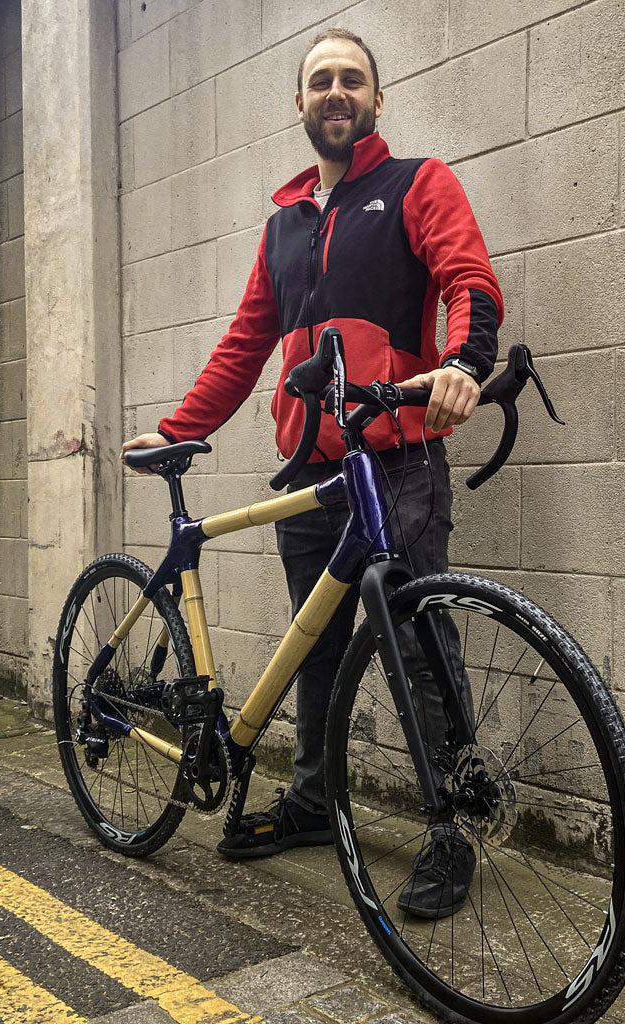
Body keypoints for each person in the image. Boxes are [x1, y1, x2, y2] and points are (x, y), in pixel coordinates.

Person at [123, 28, 503, 918]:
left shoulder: (418, 183)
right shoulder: (283, 225)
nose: (336, 92)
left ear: (377, 98)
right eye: (320, 81)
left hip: (399, 464)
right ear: (299, 105)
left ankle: (452, 827)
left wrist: (464, 361)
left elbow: (467, 278)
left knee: (418, 648)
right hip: (309, 475)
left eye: (352, 80)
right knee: (318, 651)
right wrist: (178, 430)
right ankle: (311, 798)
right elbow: (246, 344)